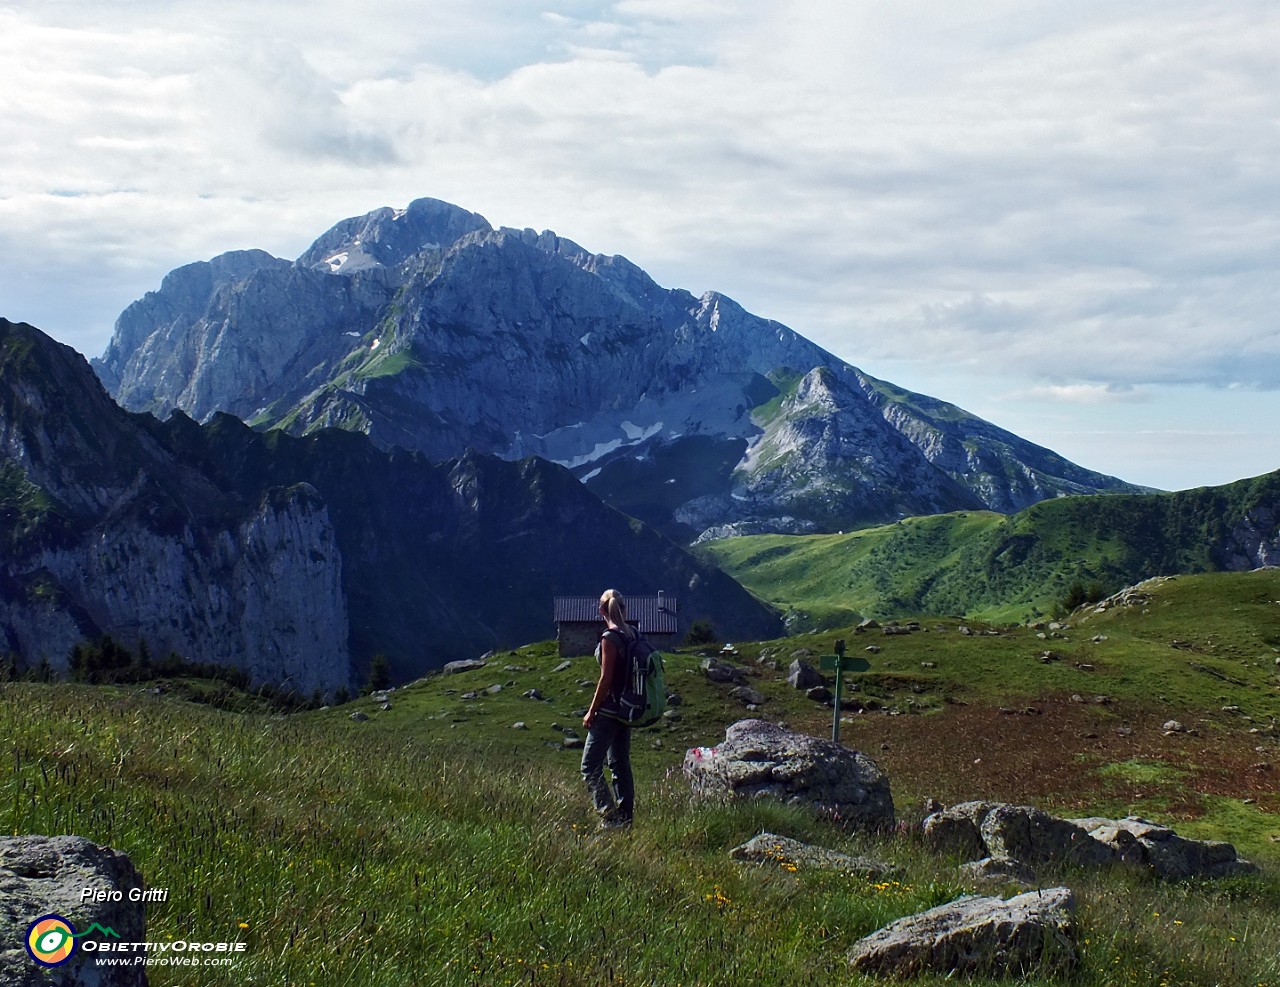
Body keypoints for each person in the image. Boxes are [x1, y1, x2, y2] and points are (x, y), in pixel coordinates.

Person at [581, 588, 635, 828]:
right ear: (623, 609)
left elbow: (606, 678)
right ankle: (626, 817)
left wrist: (592, 710)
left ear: (602, 611)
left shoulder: (609, 638)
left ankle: (609, 816)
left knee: (590, 765)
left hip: (609, 711)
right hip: (627, 709)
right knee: (620, 763)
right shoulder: (632, 634)